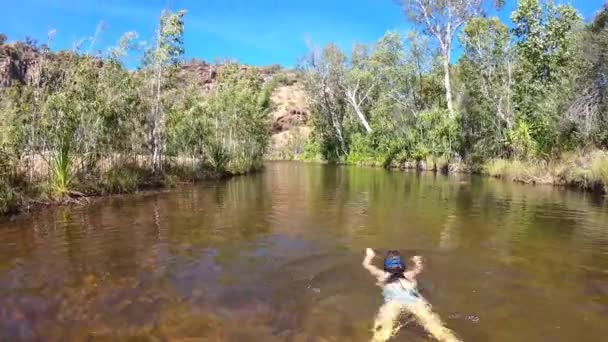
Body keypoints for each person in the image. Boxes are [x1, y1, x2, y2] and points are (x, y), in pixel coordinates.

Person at [362, 248, 461, 342]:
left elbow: (366, 265)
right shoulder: (409, 274)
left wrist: (369, 255)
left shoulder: (382, 275)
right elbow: (419, 267)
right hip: (415, 301)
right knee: (437, 329)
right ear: (402, 266)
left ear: (386, 266)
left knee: (382, 331)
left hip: (393, 303)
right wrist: (417, 259)